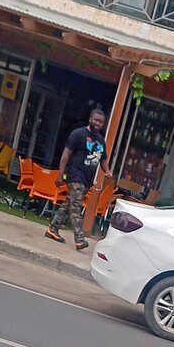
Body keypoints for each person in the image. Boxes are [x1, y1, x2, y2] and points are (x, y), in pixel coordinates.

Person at [45, 107, 112, 251]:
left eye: (100, 122)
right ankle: (79, 239)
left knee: (68, 204)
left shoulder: (101, 140)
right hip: (75, 176)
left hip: (87, 180)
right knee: (76, 207)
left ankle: (52, 228)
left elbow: (103, 159)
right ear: (90, 119)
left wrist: (107, 171)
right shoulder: (78, 134)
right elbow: (66, 154)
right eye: (95, 120)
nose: (98, 124)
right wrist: (60, 174)